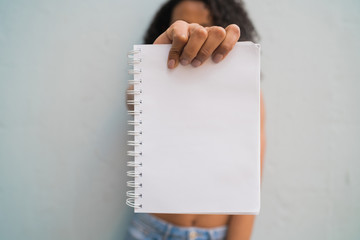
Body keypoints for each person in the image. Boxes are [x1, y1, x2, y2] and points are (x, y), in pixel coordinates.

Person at [126, 0, 266, 239]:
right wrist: (159, 59)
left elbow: (249, 183)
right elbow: (134, 100)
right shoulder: (160, 86)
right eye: (183, 27)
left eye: (203, 26)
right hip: (149, 231)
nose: (193, 34)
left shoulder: (246, 97)